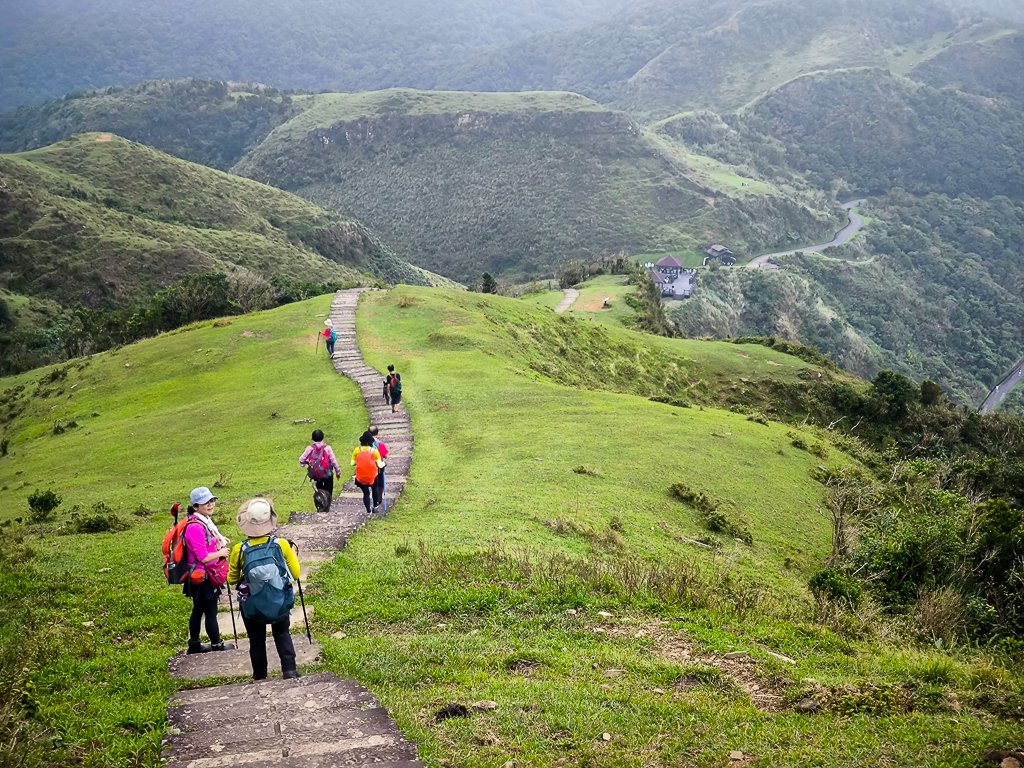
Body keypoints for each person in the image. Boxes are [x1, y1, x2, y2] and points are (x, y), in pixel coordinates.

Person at [228, 498, 300, 680]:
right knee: (282, 633)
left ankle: (260, 676)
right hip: (279, 601)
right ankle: (289, 670)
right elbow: (296, 573)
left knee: (256, 639)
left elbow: (231, 579)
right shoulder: (281, 544)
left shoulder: (240, 549)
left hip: (253, 604)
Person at [183, 487, 233, 654]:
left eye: (212, 501)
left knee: (198, 610)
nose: (210, 504)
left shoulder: (203, 521)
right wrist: (221, 553)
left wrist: (218, 542)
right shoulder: (195, 527)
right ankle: (216, 644)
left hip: (200, 575)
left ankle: (194, 644)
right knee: (210, 611)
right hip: (202, 576)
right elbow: (202, 557)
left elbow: (205, 545)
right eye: (205, 502)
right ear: (195, 506)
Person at [298, 429, 341, 514]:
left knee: (319, 490)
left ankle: (320, 507)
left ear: (312, 438)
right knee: (328, 491)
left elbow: (301, 459)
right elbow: (333, 461)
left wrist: (305, 464)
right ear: (323, 438)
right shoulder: (327, 448)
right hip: (328, 474)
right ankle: (327, 508)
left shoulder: (310, 448)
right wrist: (338, 472)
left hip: (316, 475)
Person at [351, 432, 384, 515]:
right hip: (373, 475)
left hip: (361, 476)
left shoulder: (357, 450)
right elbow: (379, 464)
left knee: (366, 493)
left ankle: (368, 510)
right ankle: (375, 507)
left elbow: (352, 463)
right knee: (374, 490)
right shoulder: (374, 451)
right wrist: (384, 464)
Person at [368, 426, 389, 512]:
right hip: (379, 467)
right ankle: (378, 498)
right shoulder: (380, 444)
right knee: (380, 484)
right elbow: (386, 456)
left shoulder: (366, 444)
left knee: (373, 484)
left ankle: (374, 499)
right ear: (377, 433)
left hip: (370, 467)